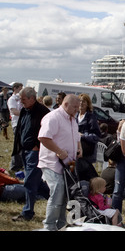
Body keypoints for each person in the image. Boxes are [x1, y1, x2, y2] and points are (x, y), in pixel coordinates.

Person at [37, 94, 83, 231]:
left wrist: (79, 148)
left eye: (78, 108)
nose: (77, 110)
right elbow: (43, 137)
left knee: (64, 196)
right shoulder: (53, 117)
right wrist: (59, 151)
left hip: (67, 165)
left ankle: (61, 224)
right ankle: (49, 225)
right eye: (75, 107)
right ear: (66, 104)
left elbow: (76, 136)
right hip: (52, 163)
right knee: (57, 193)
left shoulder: (72, 120)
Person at [11, 87, 50, 222]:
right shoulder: (24, 110)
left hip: (35, 152)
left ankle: (27, 212)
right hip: (25, 150)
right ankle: (57, 199)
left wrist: (37, 147)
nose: (21, 102)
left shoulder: (43, 112)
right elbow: (21, 129)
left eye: (23, 99)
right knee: (36, 182)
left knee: (29, 181)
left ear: (32, 98)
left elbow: (47, 132)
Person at [77, 93, 101, 164]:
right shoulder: (75, 116)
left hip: (87, 152)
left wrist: (83, 135)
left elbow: (96, 136)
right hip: (76, 150)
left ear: (87, 104)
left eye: (83, 101)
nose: (81, 103)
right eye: (80, 101)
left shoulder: (91, 117)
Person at [7, 82, 23, 171]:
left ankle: (19, 164)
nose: (21, 90)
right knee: (17, 145)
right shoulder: (12, 99)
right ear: (15, 88)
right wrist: (26, 114)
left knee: (21, 145)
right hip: (16, 123)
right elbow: (14, 111)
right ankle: (14, 165)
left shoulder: (20, 99)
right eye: (20, 88)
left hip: (22, 123)